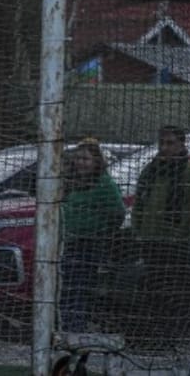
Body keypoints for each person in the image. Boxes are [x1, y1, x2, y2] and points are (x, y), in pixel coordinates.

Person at [130, 125, 190, 321]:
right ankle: (154, 328)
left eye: (170, 143)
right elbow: (140, 201)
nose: (165, 147)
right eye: (162, 143)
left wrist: (178, 234)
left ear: (181, 145)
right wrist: (138, 228)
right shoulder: (151, 169)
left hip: (174, 243)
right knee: (151, 286)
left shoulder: (189, 172)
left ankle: (172, 329)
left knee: (172, 289)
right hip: (149, 239)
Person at [60, 138, 125, 333]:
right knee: (67, 287)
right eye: (78, 158)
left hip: (90, 245)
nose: (81, 162)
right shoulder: (72, 182)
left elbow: (117, 212)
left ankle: (76, 328)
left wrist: (100, 230)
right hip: (70, 241)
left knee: (80, 287)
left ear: (96, 161)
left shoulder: (104, 184)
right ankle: (66, 326)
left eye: (86, 159)